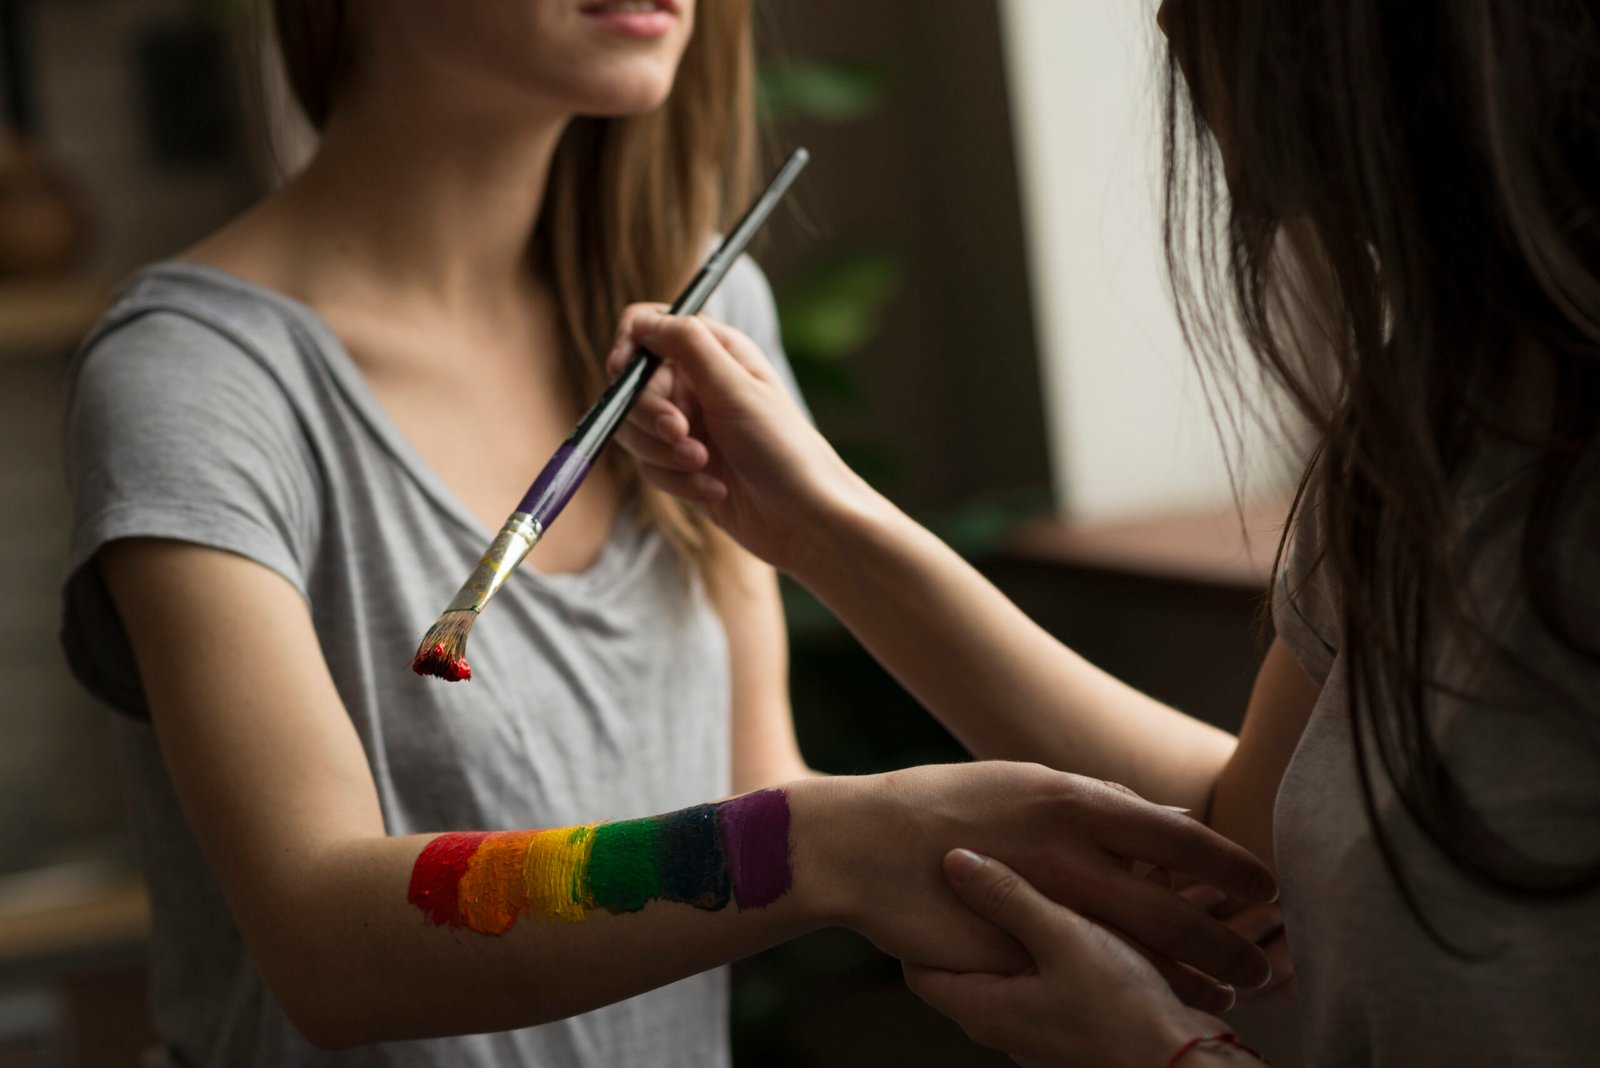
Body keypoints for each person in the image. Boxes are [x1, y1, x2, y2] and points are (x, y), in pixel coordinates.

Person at [57, 1, 1278, 1064]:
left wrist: (980, 880)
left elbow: (754, 793)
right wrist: (841, 845)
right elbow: (325, 943)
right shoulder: (200, 377)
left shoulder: (699, 312)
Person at [605, 0, 1600, 1064]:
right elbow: (1241, 844)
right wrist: (817, 524)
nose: (1168, 20)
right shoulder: (1435, 414)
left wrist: (1160, 1054)